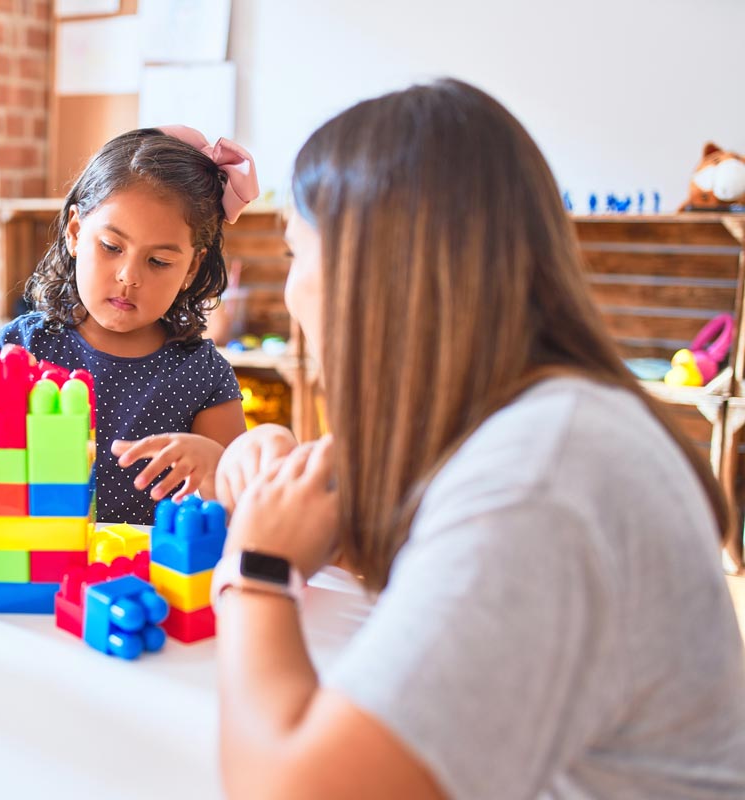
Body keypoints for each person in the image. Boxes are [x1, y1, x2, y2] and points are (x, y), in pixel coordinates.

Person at [211, 79, 745, 799]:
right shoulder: (546, 424)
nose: (295, 288)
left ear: (367, 272)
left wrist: (258, 565)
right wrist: (319, 516)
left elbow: (287, 788)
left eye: (295, 252)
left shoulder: (543, 480)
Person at [0, 126, 257, 525]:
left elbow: (243, 516)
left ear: (192, 267)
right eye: (111, 247)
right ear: (75, 232)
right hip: (32, 575)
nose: (129, 276)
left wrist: (216, 467)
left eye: (158, 261)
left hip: (147, 579)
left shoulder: (200, 375)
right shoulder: (22, 347)